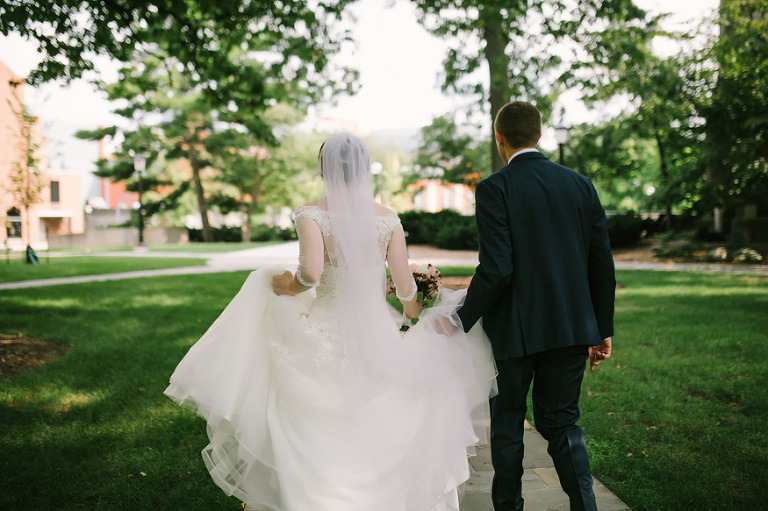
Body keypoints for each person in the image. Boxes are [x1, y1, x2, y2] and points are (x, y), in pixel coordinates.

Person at [165, 133, 497, 511]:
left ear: (323, 169)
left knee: (304, 411)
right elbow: (405, 288)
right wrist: (413, 312)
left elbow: (309, 274)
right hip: (378, 336)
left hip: (323, 330)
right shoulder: (388, 219)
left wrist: (284, 285)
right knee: (384, 412)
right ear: (362, 170)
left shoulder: (312, 213)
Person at [456, 101, 615, 511]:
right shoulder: (581, 185)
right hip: (571, 328)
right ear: (540, 135)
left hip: (515, 330)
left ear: (500, 138)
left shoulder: (494, 188)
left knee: (508, 422)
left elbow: (496, 270)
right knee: (561, 422)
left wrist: (459, 319)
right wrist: (601, 328)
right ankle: (585, 505)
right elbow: (602, 263)